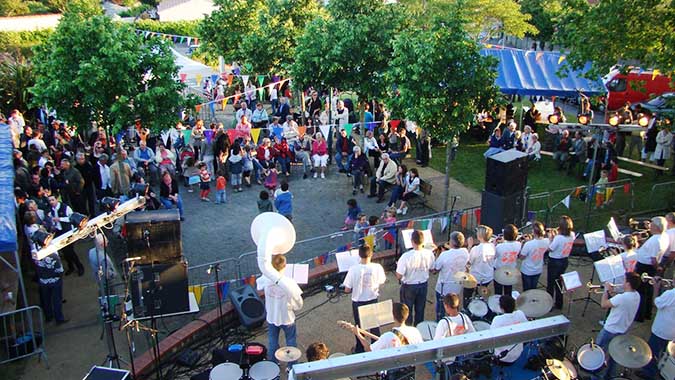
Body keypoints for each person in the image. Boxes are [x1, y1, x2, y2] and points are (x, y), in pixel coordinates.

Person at [593, 272, 641, 379]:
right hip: (623, 330)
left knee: (599, 354)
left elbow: (604, 304)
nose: (622, 282)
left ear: (628, 284)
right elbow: (619, 302)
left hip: (610, 330)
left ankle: (596, 377)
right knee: (615, 355)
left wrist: (606, 290)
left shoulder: (622, 297)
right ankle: (610, 376)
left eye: (624, 280)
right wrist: (611, 292)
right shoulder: (636, 295)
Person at [257, 255, 303, 362]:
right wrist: (293, 307)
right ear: (285, 266)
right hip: (287, 317)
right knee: (291, 342)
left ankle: (273, 364)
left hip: (272, 316)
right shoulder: (289, 282)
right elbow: (299, 304)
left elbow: (258, 285)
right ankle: (292, 366)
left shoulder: (266, 278)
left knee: (272, 342)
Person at [342, 245, 386, 353]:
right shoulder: (377, 267)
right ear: (371, 254)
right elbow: (382, 281)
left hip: (358, 302)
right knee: (374, 326)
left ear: (359, 255)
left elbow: (347, 289)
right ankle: (376, 348)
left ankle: (360, 349)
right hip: (372, 299)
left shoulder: (353, 269)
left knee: (359, 327)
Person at [637, 273, 675, 378]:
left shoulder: (670, 294)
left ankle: (649, 373)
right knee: (665, 353)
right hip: (672, 332)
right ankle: (659, 370)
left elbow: (656, 303)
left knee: (651, 352)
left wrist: (656, 288)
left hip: (662, 330)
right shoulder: (670, 294)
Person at [396, 230, 435, 326]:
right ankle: (419, 328)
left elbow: (399, 275)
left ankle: (408, 330)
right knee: (420, 309)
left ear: (412, 241)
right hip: (423, 284)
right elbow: (432, 269)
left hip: (409, 286)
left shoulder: (406, 256)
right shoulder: (429, 253)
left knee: (406, 310)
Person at [634, 216, 669, 322]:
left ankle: (640, 315)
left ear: (657, 227)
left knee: (642, 291)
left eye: (652, 224)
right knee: (647, 291)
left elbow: (653, 259)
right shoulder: (663, 236)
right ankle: (646, 314)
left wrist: (657, 268)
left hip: (645, 267)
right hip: (648, 266)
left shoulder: (656, 240)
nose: (650, 226)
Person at [30, 227, 68, 324]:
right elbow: (60, 270)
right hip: (54, 280)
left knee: (46, 300)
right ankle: (59, 318)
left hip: (43, 280)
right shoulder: (52, 254)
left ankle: (48, 317)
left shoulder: (34, 252)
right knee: (56, 300)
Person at [432, 232, 470, 321]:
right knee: (454, 305)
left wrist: (437, 255)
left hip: (444, 287)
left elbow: (435, 270)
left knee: (441, 309)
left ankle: (441, 322)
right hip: (457, 286)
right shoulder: (465, 252)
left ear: (451, 242)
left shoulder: (444, 255)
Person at [48, 195, 85, 276]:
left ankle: (80, 267)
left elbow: (72, 218)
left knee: (70, 251)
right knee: (65, 252)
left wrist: (60, 219)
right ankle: (71, 267)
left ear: (56, 199)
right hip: (59, 232)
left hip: (68, 231)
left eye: (52, 200)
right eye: (50, 200)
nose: (51, 202)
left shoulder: (66, 208)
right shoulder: (51, 210)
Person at [490, 295, 528, 365]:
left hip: (503, 356)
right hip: (518, 352)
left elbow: (492, 337)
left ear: (501, 308)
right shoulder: (520, 314)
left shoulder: (497, 319)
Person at [547, 216, 575, 309]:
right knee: (559, 282)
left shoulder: (558, 238)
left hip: (555, 261)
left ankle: (549, 304)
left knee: (550, 284)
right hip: (564, 260)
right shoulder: (572, 235)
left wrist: (551, 238)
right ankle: (559, 303)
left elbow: (550, 249)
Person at [464, 225, 496, 306]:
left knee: (467, 295)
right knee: (481, 294)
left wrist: (469, 246)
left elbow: (468, 262)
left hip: (476, 277)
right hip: (487, 276)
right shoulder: (492, 246)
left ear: (480, 235)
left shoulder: (476, 249)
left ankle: (467, 309)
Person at [519, 222, 549, 291]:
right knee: (533, 288)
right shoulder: (547, 241)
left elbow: (521, 257)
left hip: (527, 270)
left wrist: (523, 244)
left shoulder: (529, 244)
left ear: (533, 231)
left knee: (527, 290)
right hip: (538, 269)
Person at [493, 224, 520, 296]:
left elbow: (494, 256)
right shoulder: (518, 244)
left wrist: (494, 244)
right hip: (511, 269)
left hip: (499, 269)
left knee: (498, 290)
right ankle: (507, 304)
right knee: (508, 288)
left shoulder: (500, 246)